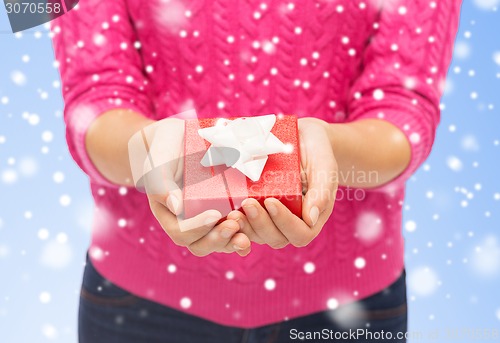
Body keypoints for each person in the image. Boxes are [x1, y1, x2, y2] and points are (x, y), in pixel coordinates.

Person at [51, 0, 461, 342]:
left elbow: (407, 110)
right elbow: (92, 95)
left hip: (348, 307)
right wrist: (152, 158)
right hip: (137, 304)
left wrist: (321, 149)